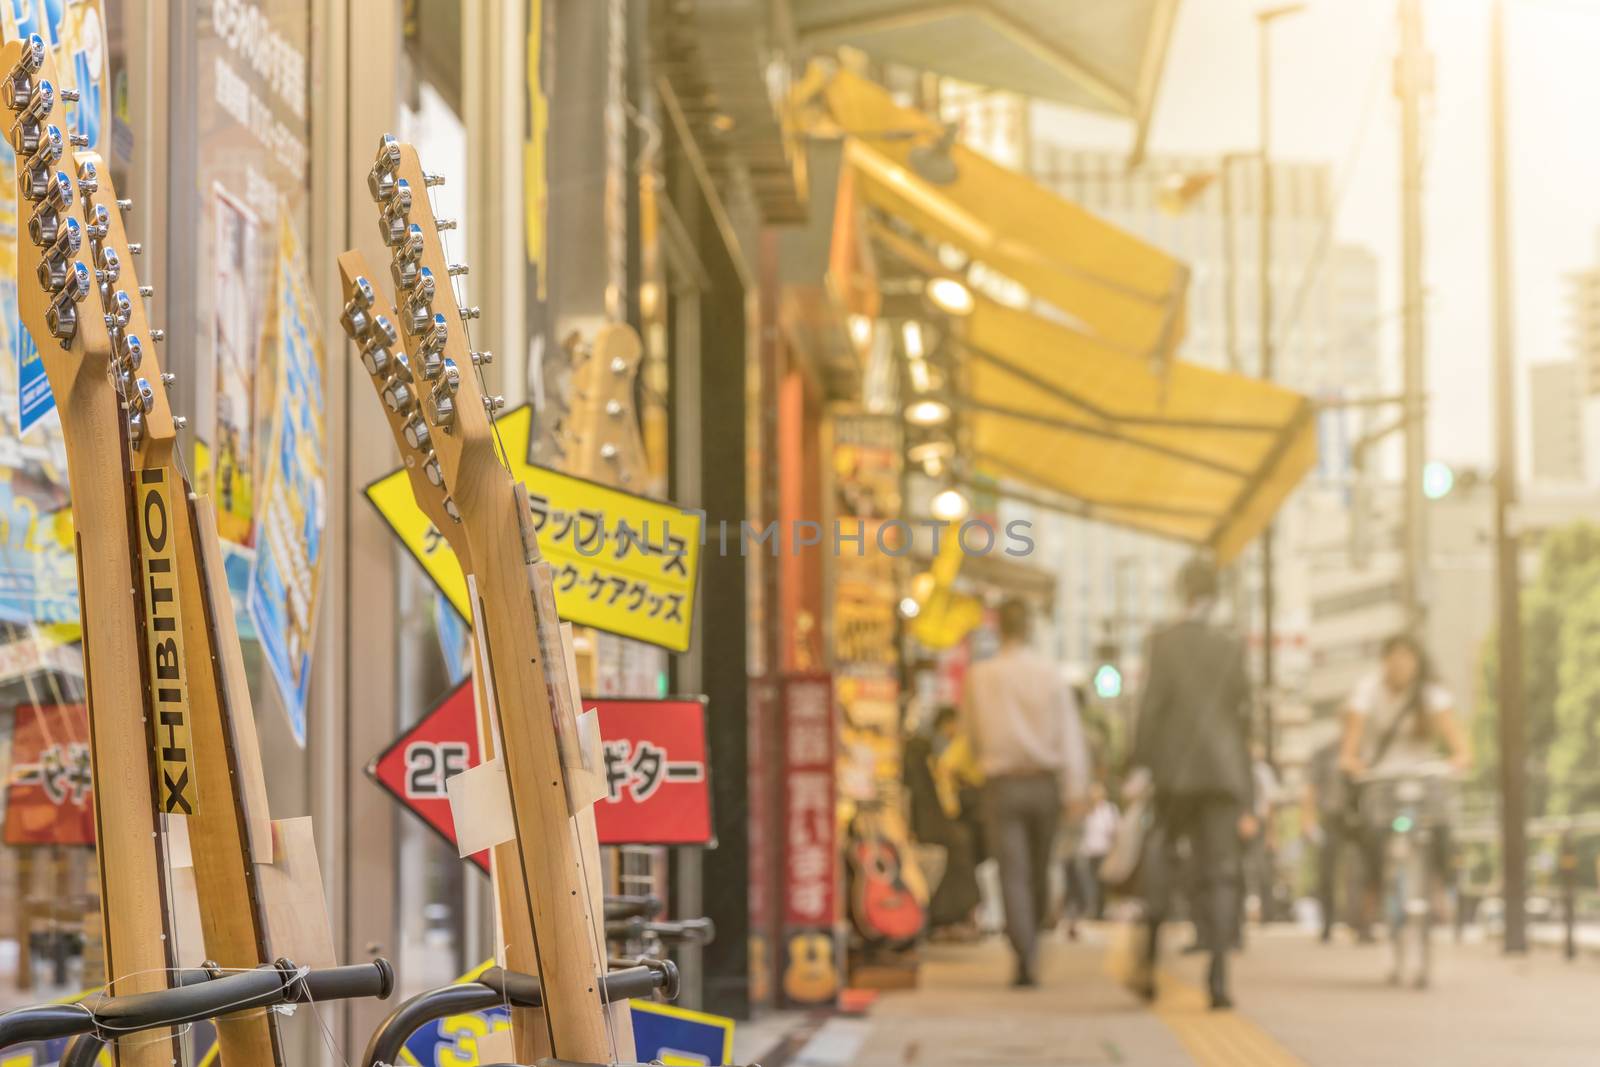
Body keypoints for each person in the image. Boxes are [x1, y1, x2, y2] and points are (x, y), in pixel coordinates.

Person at [1127, 557, 1254, 1011]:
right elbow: (1245, 715)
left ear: (1183, 592)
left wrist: (1139, 764)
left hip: (1174, 773)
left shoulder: (1164, 643)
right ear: (1216, 593)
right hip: (1223, 775)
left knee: (1161, 856)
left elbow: (1151, 708)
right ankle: (1218, 980)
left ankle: (1148, 963)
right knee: (1219, 872)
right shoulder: (1231, 644)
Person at [960, 597, 1090, 987]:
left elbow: (970, 736)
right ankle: (1030, 943)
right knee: (1037, 868)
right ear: (1030, 628)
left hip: (1001, 784)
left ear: (998, 628)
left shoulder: (980, 676)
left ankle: (1023, 951)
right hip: (1044, 783)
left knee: (1011, 872)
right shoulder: (1049, 673)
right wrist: (1076, 788)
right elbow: (1069, 735)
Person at [1338, 633, 1471, 935]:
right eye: (1394, 658)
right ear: (1384, 662)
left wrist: (1459, 759)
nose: (1400, 665)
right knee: (1372, 835)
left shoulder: (1429, 693)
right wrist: (1351, 761)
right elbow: (1351, 742)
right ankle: (1373, 895)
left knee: (1441, 824)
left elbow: (1458, 741)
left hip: (1423, 774)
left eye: (1407, 658)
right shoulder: (1367, 691)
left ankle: (1440, 884)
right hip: (1381, 776)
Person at [903, 705, 981, 936]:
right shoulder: (946, 746)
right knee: (962, 843)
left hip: (940, 817)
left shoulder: (943, 746)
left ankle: (955, 916)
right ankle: (954, 916)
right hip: (944, 819)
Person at [1064, 781, 1119, 938]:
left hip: (1104, 852)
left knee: (1102, 884)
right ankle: (1090, 909)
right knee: (1088, 882)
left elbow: (1115, 831)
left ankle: (1100, 911)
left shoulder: (1109, 810)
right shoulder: (1085, 811)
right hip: (1087, 852)